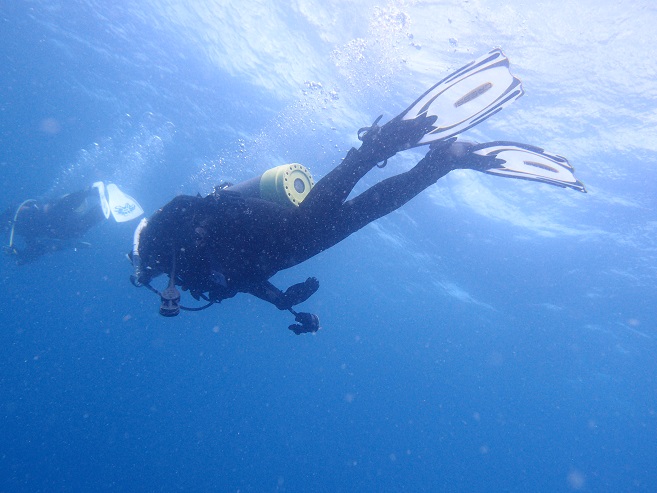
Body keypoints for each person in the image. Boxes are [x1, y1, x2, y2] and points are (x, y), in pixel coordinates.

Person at [129, 49, 586, 334]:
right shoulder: (193, 281)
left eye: (151, 282)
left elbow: (186, 206)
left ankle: (377, 147)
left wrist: (197, 230)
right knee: (363, 215)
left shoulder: (160, 246)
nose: (164, 294)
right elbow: (243, 281)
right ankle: (442, 162)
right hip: (281, 252)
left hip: (257, 224)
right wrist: (281, 302)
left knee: (310, 222)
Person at [3, 181, 143, 264]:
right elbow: (37, 248)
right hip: (53, 227)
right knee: (75, 231)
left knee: (53, 214)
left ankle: (90, 190)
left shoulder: (13, 217)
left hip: (49, 213)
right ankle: (102, 209)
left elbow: (20, 208)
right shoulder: (22, 231)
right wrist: (21, 256)